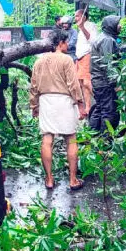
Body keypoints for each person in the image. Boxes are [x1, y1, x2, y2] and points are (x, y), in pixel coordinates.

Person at [29, 29, 87, 190]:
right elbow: (73, 85)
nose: (68, 44)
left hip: (46, 101)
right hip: (64, 101)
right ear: (60, 43)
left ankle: (49, 179)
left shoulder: (39, 61)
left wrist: (34, 106)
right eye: (66, 42)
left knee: (47, 139)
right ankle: (73, 179)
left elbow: (33, 87)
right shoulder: (66, 60)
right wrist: (81, 105)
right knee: (71, 139)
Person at [89, 15, 121, 133]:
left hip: (98, 80)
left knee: (100, 108)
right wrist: (115, 82)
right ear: (111, 25)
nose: (120, 26)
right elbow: (108, 63)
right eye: (118, 24)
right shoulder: (107, 40)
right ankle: (104, 141)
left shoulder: (103, 37)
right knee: (108, 111)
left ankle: (91, 135)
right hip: (104, 81)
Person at [74, 9, 97, 114]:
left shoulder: (91, 25)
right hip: (79, 57)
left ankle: (101, 100)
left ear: (84, 17)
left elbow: (93, 40)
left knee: (87, 82)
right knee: (82, 83)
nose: (75, 18)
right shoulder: (79, 27)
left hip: (87, 55)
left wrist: (82, 27)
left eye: (77, 16)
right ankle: (88, 107)